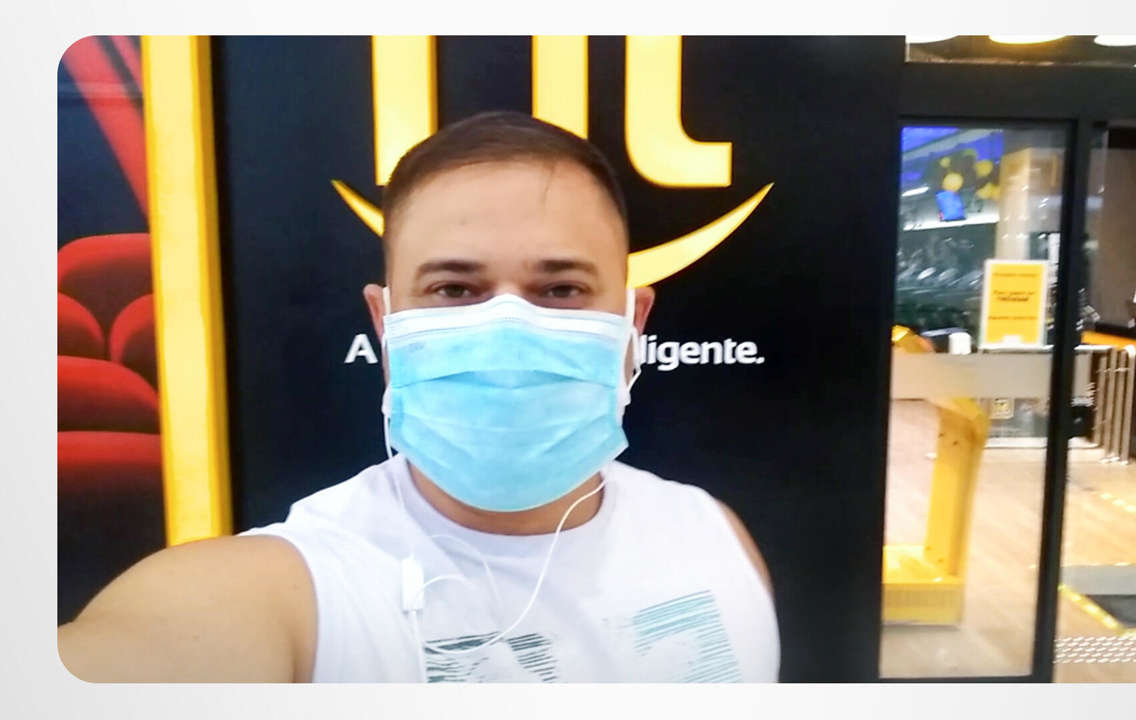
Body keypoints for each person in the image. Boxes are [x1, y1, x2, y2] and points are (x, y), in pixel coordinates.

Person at [57, 111, 780, 683]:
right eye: (454, 289)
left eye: (561, 289)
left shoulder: (715, 536)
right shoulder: (292, 589)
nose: (505, 325)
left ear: (632, 323)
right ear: (386, 323)